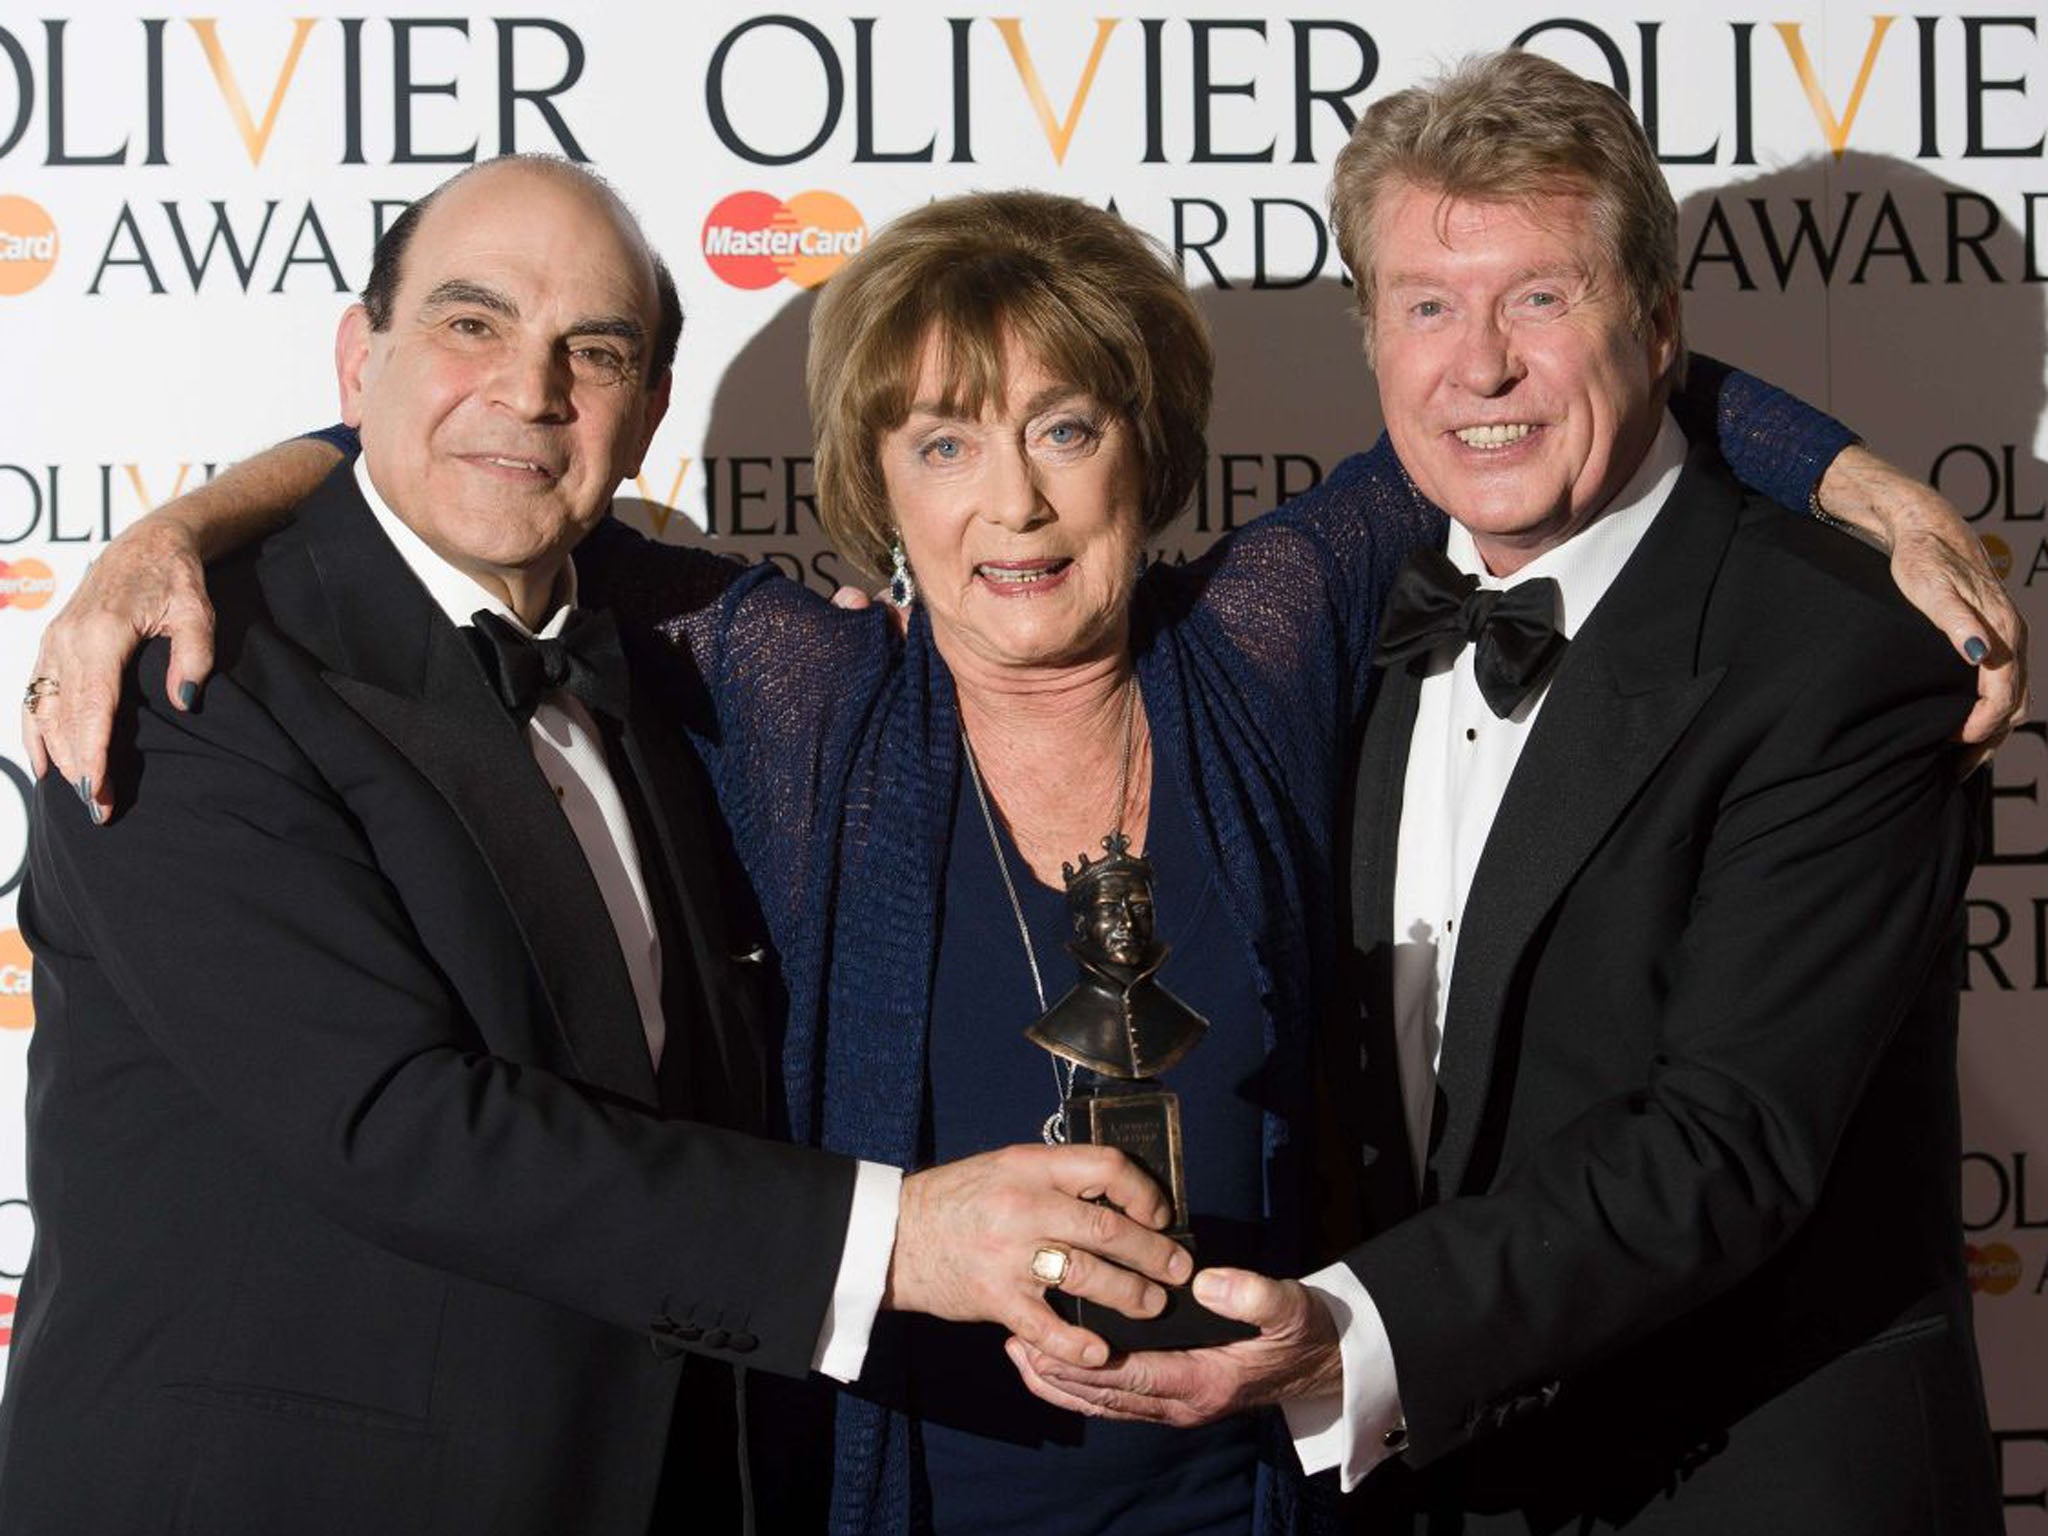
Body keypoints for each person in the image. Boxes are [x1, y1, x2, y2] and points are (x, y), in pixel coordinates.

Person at [19, 188, 2021, 1534]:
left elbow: (1512, 406)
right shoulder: (788, 684)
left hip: (1267, 1476)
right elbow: (463, 472)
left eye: (1064, 428)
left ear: (1146, 447)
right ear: (873, 488)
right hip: (902, 1481)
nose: (1014, 504)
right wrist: (182, 524)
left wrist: (1831, 461)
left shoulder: (1263, 632)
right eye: (944, 443)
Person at [0, 157, 1197, 1536]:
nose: (529, 389)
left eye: (597, 350)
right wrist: (892, 1238)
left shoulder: (664, 665)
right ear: (357, 354)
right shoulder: (189, 674)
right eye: (471, 323)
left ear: (647, 415)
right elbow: (397, 1125)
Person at [1009, 52, 2003, 1536]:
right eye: (1426, 305)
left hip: (1752, 1479)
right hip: (1440, 1483)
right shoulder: (1345, 629)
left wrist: (1356, 1332)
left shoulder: (1838, 657)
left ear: (1658, 324)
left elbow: (1724, 1147)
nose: (1477, 366)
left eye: (1540, 297)